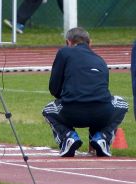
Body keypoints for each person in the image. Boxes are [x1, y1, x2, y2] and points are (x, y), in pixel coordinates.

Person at [42, 27, 128, 157]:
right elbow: (101, 92)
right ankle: (102, 137)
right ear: (90, 43)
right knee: (122, 104)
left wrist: (66, 97)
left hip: (72, 112)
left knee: (48, 110)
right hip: (101, 112)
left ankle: (68, 136)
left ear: (68, 42)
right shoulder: (100, 60)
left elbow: (54, 88)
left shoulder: (64, 52)